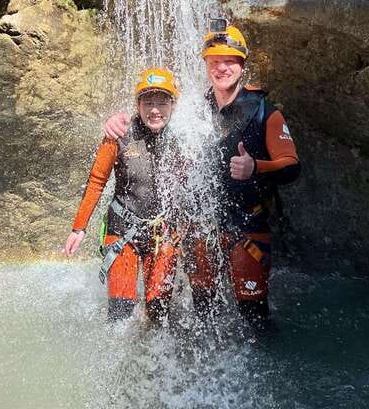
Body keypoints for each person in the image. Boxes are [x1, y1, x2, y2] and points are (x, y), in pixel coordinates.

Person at [102, 22, 300, 325]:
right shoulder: (195, 109)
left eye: (229, 60)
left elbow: (291, 166)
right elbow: (153, 117)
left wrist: (256, 167)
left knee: (254, 316)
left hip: (245, 224)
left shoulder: (265, 112)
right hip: (201, 229)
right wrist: (117, 123)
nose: (221, 68)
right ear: (206, 65)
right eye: (214, 61)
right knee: (203, 310)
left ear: (242, 64)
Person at [63, 68, 182, 326]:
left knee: (159, 314)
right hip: (123, 230)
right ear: (137, 105)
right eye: (147, 102)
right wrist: (79, 228)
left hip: (161, 233)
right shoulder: (119, 135)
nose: (154, 110)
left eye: (162, 101)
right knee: (120, 313)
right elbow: (96, 181)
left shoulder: (183, 139)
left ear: (173, 104)